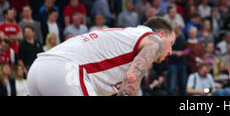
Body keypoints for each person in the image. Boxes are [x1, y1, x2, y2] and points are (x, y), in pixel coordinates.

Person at [27, 17, 176, 96]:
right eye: (171, 43)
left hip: (37, 69)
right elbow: (132, 78)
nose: (170, 52)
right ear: (161, 35)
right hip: (66, 70)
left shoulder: (126, 38)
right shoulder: (154, 40)